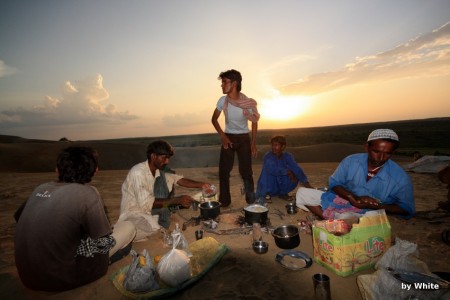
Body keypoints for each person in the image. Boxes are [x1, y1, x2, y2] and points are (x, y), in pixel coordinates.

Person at [14, 146, 136, 292]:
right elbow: (102, 237)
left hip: (28, 278)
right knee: (128, 227)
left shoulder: (40, 188)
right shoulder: (88, 193)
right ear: (95, 170)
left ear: (57, 169)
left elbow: (18, 217)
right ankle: (106, 261)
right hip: (61, 278)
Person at [296, 129, 415, 220]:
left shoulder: (400, 178)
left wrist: (377, 206)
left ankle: (336, 220)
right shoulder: (351, 161)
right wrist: (353, 198)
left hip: (371, 212)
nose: (381, 158)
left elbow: (406, 209)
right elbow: (334, 183)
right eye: (376, 151)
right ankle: (334, 219)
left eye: (387, 153)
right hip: (345, 199)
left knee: (350, 217)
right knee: (302, 193)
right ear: (366, 147)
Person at [117, 140, 211, 240]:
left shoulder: (158, 171)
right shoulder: (138, 173)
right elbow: (147, 203)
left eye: (168, 158)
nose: (167, 161)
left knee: (158, 226)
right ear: (153, 156)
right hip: (134, 214)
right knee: (147, 230)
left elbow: (177, 179)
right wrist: (177, 200)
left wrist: (202, 185)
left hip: (149, 213)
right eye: (164, 158)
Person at [211, 69, 260, 207]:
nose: (222, 85)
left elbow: (254, 122)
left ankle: (251, 201)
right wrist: (223, 137)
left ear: (234, 83)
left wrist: (253, 143)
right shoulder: (223, 101)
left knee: (246, 172)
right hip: (228, 137)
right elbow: (214, 119)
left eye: (224, 82)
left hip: (244, 138)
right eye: (222, 82)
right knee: (224, 171)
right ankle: (225, 201)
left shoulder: (247, 102)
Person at [256, 135, 312, 201]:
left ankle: (282, 193)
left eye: (276, 145)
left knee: (296, 173)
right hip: (268, 186)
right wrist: (287, 172)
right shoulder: (268, 156)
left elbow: (296, 168)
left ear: (283, 147)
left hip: (278, 187)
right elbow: (273, 170)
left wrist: (306, 182)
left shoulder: (288, 156)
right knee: (270, 172)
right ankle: (265, 194)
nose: (273, 147)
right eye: (272, 145)